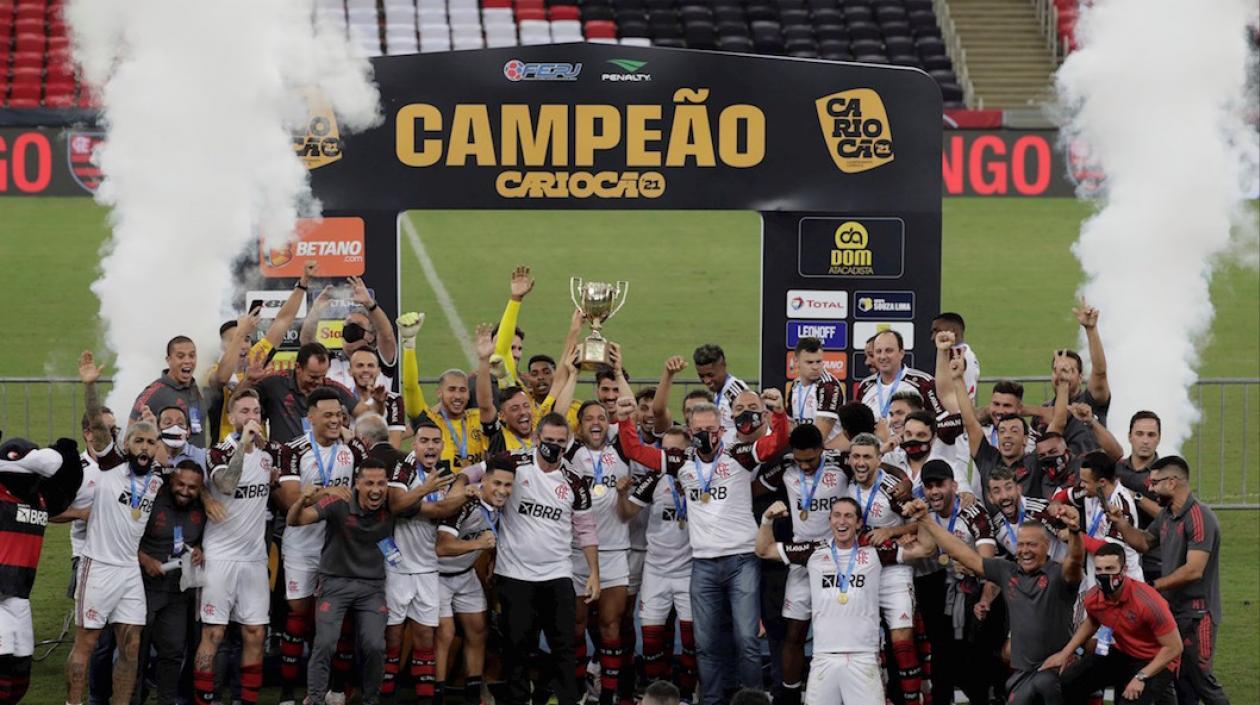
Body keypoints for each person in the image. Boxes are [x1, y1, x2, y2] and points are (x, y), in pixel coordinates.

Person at [618, 398, 789, 705]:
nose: (704, 435)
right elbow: (634, 451)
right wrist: (625, 420)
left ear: (721, 430)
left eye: (710, 429)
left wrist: (778, 414)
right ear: (690, 429)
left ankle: (753, 701)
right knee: (705, 642)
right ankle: (710, 701)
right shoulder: (680, 460)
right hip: (703, 563)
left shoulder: (738, 456)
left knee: (747, 639)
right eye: (698, 430)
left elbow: (775, 444)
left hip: (742, 559)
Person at [754, 497, 933, 705]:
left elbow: (926, 549)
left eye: (849, 516)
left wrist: (924, 518)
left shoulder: (876, 551)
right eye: (837, 516)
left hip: (864, 658)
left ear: (858, 523)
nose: (842, 521)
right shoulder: (812, 551)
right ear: (829, 520)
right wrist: (767, 520)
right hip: (823, 659)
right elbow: (763, 550)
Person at [911, 493, 1084, 705]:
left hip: (1055, 672)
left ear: (1047, 546)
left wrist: (1074, 531)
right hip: (1021, 675)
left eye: (1032, 544)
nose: (1024, 551)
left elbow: (1075, 560)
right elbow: (966, 554)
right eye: (1020, 545)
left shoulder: (1059, 575)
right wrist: (926, 521)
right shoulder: (1007, 571)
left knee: (1045, 685)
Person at [494, 413, 599, 705]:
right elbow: (476, 472)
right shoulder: (513, 463)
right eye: (549, 441)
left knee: (564, 646)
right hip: (514, 574)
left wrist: (594, 573)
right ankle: (519, 700)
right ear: (537, 439)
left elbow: (586, 529)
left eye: (560, 442)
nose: (554, 447)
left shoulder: (575, 482)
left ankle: (566, 699)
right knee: (517, 647)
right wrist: (469, 487)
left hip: (557, 574)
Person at [1106, 456, 1228, 705]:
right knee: (1181, 681)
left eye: (1154, 483)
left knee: (1201, 680)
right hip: (1175, 612)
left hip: (1198, 614)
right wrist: (1121, 524)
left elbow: (1194, 570)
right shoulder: (1167, 516)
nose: (1150, 488)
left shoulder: (1199, 518)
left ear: (1172, 482)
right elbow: (1142, 543)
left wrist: (1154, 587)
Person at [274, 386, 369, 705]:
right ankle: (289, 693)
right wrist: (330, 493)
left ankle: (338, 689)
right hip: (301, 545)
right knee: (300, 616)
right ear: (310, 416)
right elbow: (289, 501)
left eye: (339, 415)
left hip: (339, 546)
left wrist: (321, 493)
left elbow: (369, 491)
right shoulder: (293, 450)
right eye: (326, 415)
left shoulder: (353, 448)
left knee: (338, 618)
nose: (334, 420)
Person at [64, 411, 165, 705]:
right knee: (88, 642)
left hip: (130, 573)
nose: (144, 447)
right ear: (125, 443)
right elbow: (96, 428)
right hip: (98, 567)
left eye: (150, 442)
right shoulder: (110, 466)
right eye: (138, 441)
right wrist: (90, 386)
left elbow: (182, 465)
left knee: (131, 646)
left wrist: (156, 426)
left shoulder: (156, 477)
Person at [193, 389, 284, 705]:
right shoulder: (217, 452)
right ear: (232, 417)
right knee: (214, 633)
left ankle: (246, 700)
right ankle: (205, 698)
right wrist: (244, 446)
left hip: (254, 559)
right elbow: (227, 485)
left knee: (255, 633)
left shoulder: (269, 454)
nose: (252, 417)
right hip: (220, 557)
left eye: (256, 411)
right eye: (244, 411)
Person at [753, 424, 851, 705]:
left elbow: (877, 467)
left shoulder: (840, 465)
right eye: (800, 460)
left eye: (811, 459)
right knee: (793, 632)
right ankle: (790, 696)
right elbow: (750, 489)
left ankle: (839, 693)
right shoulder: (785, 467)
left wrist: (901, 479)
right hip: (800, 558)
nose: (805, 466)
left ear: (822, 449)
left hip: (838, 559)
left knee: (835, 631)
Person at [286, 457, 397, 705]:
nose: (376, 489)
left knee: (375, 645)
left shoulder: (393, 502)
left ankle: (371, 700)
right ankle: (315, 699)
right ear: (357, 483)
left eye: (381, 483)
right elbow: (296, 520)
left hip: (372, 587)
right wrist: (303, 498)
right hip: (334, 583)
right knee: (325, 643)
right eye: (369, 483)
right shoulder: (338, 501)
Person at [383, 420, 467, 705]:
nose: (430, 447)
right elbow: (396, 505)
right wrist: (423, 493)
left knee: (425, 638)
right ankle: (386, 697)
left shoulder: (445, 475)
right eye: (424, 441)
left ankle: (426, 700)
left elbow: (444, 510)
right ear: (414, 444)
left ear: (442, 446)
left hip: (428, 569)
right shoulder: (403, 469)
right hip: (397, 568)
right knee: (392, 639)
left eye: (435, 441)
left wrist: (428, 504)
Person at [906, 460, 997, 705]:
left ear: (954, 485)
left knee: (967, 659)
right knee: (941, 656)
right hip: (937, 589)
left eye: (940, 485)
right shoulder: (923, 511)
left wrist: (969, 567)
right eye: (929, 486)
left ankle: (984, 696)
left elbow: (987, 563)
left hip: (971, 590)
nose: (934, 491)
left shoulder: (973, 512)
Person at [1046, 543, 1183, 705]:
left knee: (1130, 699)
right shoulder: (1094, 597)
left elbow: (1175, 647)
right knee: (1068, 682)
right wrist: (1065, 653)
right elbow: (1092, 621)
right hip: (1124, 652)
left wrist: (1141, 676)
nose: (1104, 575)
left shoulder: (1149, 603)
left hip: (1156, 660)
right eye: (1100, 570)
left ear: (1124, 570)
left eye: (1110, 569)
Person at [0, 435, 82, 705]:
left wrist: (68, 457)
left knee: (19, 675)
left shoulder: (40, 498)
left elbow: (66, 489)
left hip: (20, 594)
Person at [844, 433, 923, 705]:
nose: (861, 462)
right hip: (859, 572)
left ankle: (914, 699)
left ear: (879, 460)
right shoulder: (845, 485)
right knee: (868, 644)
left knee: (901, 639)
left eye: (867, 456)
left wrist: (891, 530)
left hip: (893, 570)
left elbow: (920, 523)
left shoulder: (892, 489)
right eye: (856, 456)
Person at [619, 428, 698, 699]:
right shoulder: (654, 478)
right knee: (651, 641)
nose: (670, 456)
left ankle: (686, 696)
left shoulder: (701, 477)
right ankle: (656, 696)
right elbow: (627, 512)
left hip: (690, 570)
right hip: (656, 569)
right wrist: (621, 494)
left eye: (676, 450)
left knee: (691, 642)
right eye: (665, 450)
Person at [566, 400, 635, 705]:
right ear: (579, 426)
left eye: (602, 418)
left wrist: (622, 494)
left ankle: (607, 695)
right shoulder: (569, 455)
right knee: (576, 626)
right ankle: (580, 689)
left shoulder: (620, 453)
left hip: (614, 551)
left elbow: (626, 514)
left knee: (610, 625)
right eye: (589, 418)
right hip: (576, 553)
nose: (596, 423)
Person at [435, 460, 517, 705]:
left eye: (508, 485)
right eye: (497, 484)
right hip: (436, 575)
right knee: (445, 634)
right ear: (483, 482)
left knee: (478, 630)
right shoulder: (464, 504)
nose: (502, 490)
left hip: (465, 574)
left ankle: (474, 695)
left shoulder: (501, 507)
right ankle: (436, 697)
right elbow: (442, 546)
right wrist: (478, 544)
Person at [209, 260, 315, 442]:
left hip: (259, 448)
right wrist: (242, 332)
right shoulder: (213, 370)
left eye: (248, 339)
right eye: (236, 340)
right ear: (222, 346)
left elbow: (283, 320)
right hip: (226, 450)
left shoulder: (256, 357)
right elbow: (222, 379)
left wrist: (302, 283)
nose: (243, 345)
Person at [136, 461, 206, 705]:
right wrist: (145, 560)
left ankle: (166, 700)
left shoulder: (203, 507)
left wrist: (200, 550)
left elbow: (208, 540)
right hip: (142, 587)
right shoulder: (151, 501)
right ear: (170, 483)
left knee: (173, 651)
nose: (185, 491)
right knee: (136, 651)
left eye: (192, 487)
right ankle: (131, 699)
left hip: (177, 590)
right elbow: (123, 538)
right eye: (181, 484)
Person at [246, 342, 360, 444]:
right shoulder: (274, 383)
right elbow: (237, 402)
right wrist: (248, 381)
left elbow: (365, 413)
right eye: (313, 377)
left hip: (323, 462)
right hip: (284, 461)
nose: (319, 382)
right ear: (298, 367)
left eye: (323, 376)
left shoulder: (332, 388)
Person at [300, 275, 399, 390]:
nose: (350, 329)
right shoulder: (330, 362)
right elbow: (306, 341)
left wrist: (370, 304)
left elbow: (387, 336)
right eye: (347, 325)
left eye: (357, 326)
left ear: (371, 336)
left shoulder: (379, 362)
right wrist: (315, 310)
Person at [130, 335, 208, 447]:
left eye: (192, 356)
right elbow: (130, 434)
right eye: (180, 356)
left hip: (198, 462)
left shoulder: (196, 387)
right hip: (169, 464)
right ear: (168, 360)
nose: (187, 361)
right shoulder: (154, 392)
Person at [1116, 411, 1164, 582]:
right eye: (1139, 434)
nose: (1145, 440)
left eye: (1151, 435)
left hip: (1153, 559)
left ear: (1159, 438)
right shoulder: (1116, 469)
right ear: (1130, 437)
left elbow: (1168, 516)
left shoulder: (1167, 475)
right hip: (1117, 557)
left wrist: (1134, 497)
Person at [855, 329, 941, 423]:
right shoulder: (865, 386)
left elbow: (940, 421)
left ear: (901, 353)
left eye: (889, 351)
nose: (883, 356)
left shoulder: (924, 383)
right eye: (878, 351)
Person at [784, 337, 844, 445]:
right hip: (803, 451)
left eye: (818, 361)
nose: (816, 367)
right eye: (810, 362)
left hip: (827, 455)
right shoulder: (795, 385)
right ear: (796, 362)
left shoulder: (828, 386)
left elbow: (819, 436)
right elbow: (790, 425)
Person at [349, 348, 408, 448]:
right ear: (350, 371)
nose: (365, 370)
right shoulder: (343, 398)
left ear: (378, 371)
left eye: (370, 366)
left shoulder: (392, 400)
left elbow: (393, 446)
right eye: (360, 366)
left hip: (380, 460)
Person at [693, 343, 749, 435]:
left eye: (710, 375)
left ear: (723, 365)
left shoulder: (736, 393)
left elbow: (751, 428)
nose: (706, 381)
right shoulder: (719, 390)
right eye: (701, 376)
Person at [930, 312, 980, 401]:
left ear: (953, 331)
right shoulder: (967, 352)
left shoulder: (956, 357)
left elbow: (944, 393)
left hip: (954, 411)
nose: (933, 337)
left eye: (937, 331)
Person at [155, 405, 209, 471]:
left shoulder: (204, 457)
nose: (175, 427)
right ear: (158, 429)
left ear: (188, 431)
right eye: (168, 423)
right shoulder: (150, 456)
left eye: (180, 423)